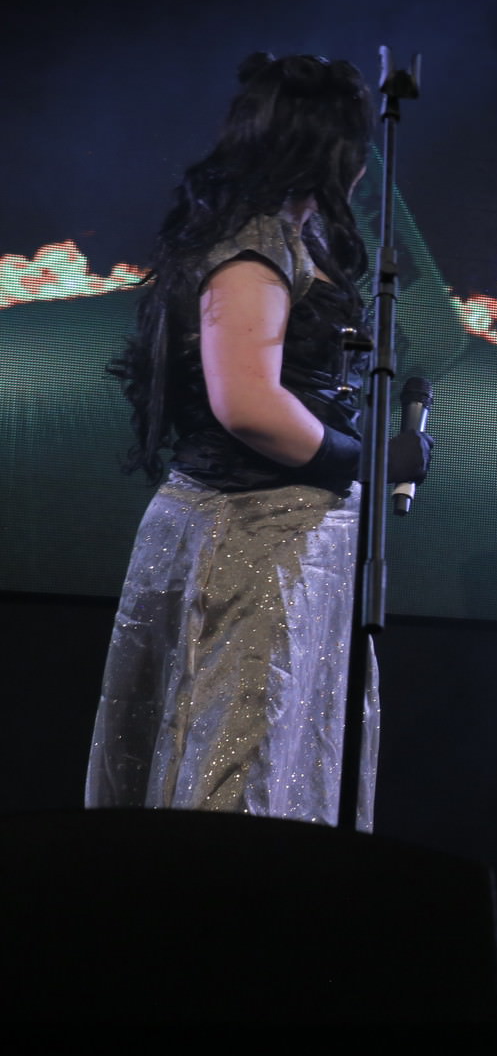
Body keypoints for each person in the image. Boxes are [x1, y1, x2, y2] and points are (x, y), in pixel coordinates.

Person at [85, 52, 429, 831]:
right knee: (234, 764)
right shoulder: (254, 246)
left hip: (277, 539)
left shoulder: (281, 236)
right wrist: (365, 460)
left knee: (266, 755)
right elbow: (246, 403)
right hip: (248, 539)